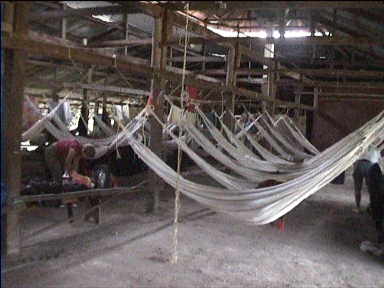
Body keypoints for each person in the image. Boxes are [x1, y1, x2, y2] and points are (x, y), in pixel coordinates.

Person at [353, 144, 382, 213]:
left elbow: (354, 157)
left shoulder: (360, 145)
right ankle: (372, 207)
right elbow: (379, 160)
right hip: (370, 165)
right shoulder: (375, 148)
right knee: (371, 188)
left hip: (359, 164)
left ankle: (358, 208)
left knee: (357, 187)